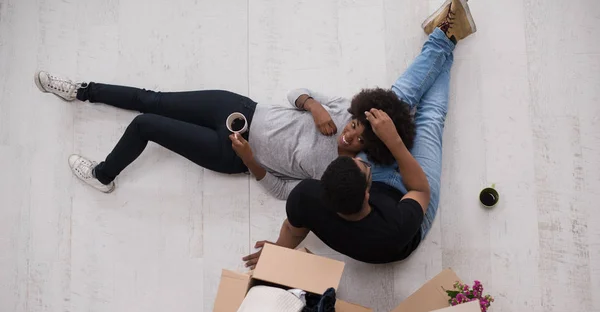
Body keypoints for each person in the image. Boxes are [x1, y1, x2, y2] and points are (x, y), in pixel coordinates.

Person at [244, 0, 477, 265]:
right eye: (364, 166)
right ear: (367, 193)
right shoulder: (395, 229)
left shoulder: (306, 196)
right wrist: (394, 142)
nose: (363, 158)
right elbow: (420, 190)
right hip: (410, 202)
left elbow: (291, 229)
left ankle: (444, 36)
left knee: (390, 105)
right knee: (430, 119)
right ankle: (448, 35)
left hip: (371, 194)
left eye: (358, 161)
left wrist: (276, 252)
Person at [35, 76, 412, 199]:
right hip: (239, 110)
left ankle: (103, 176)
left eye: (360, 139)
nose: (349, 135)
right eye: (353, 126)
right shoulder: (344, 109)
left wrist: (249, 159)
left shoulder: (339, 173)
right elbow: (295, 91)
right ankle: (82, 91)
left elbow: (282, 191)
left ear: (371, 147)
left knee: (145, 124)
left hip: (231, 154)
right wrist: (313, 106)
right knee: (152, 100)